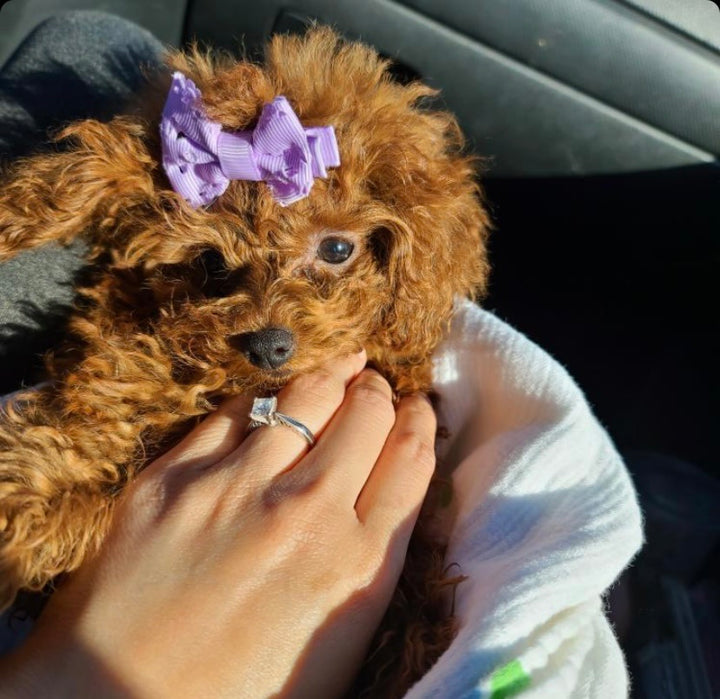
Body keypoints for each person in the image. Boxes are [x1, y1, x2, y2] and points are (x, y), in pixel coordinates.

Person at [0, 12, 436, 696]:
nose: (272, 319)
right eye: (210, 262)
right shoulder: (137, 344)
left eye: (335, 250)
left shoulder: (403, 302)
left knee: (90, 37)